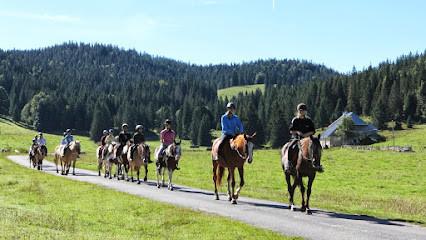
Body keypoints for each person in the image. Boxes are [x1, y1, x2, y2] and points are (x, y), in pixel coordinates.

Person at [285, 103, 322, 172]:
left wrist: (306, 134)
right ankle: (289, 164)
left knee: (317, 148)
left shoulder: (309, 120)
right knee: (290, 147)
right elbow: (291, 131)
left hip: (308, 138)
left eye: (304, 110)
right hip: (298, 138)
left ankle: (318, 165)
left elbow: (313, 131)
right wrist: (298, 132)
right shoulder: (295, 120)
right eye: (301, 110)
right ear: (298, 111)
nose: (303, 112)